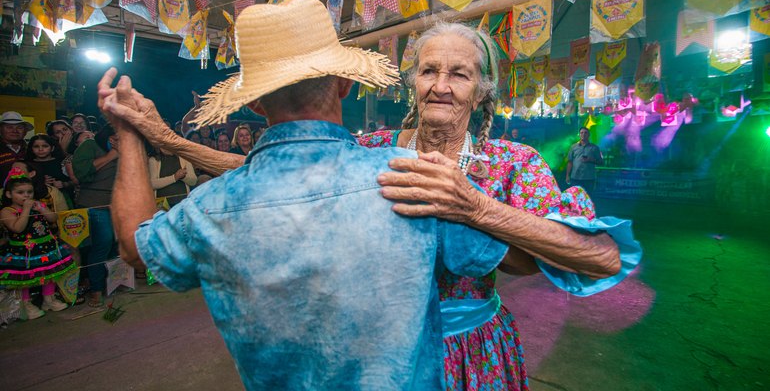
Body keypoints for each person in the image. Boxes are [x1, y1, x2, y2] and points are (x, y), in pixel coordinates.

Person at [95, 21, 641, 390]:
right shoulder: (376, 150)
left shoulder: (513, 162)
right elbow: (275, 179)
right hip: (375, 352)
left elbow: (602, 259)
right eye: (429, 71)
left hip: (471, 347)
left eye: (460, 74)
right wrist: (167, 141)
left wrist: (475, 208)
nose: (441, 86)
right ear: (410, 83)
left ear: (483, 90)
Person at [0, 170, 75, 319]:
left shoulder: (37, 205)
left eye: (29, 192)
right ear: (9, 194)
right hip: (23, 252)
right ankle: (26, 304)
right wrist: (26, 209)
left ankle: (49, 299)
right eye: (20, 192)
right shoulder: (7, 211)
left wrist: (42, 208)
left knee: (49, 274)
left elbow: (53, 218)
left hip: (46, 247)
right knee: (25, 279)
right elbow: (17, 227)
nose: (26, 196)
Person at [71, 125, 119, 307]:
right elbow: (80, 174)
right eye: (117, 137)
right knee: (103, 243)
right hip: (94, 204)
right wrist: (110, 156)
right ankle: (96, 290)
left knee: (115, 245)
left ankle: (113, 283)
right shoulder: (90, 146)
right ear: (109, 136)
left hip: (116, 204)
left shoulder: (125, 150)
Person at [25, 134, 75, 206]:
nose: (40, 149)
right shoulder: (27, 165)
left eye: (45, 146)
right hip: (37, 204)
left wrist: (65, 184)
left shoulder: (63, 162)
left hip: (64, 201)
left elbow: (78, 181)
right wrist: (39, 182)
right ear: (31, 149)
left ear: (52, 148)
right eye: (36, 146)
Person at [567, 126, 604, 193]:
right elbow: (570, 162)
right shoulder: (573, 147)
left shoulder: (594, 148)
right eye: (581, 133)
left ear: (588, 135)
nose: (583, 134)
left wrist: (591, 160)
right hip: (575, 177)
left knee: (588, 198)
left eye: (585, 133)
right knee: (575, 198)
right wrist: (567, 176)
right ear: (579, 135)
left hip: (588, 178)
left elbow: (601, 162)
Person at [1, 111, 33, 184]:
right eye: (9, 127)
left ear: (25, 132)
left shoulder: (33, 149)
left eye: (20, 128)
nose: (15, 131)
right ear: (1, 130)